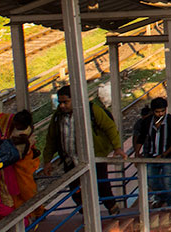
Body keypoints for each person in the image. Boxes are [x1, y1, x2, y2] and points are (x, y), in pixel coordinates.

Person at [42, 85, 126, 214]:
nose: (62, 106)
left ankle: (112, 207)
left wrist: (117, 148)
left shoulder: (91, 110)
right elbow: (51, 139)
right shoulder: (58, 117)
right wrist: (47, 160)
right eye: (60, 103)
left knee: (101, 184)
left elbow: (109, 127)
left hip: (94, 156)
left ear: (75, 100)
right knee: (75, 189)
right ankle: (86, 212)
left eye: (65, 102)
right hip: (70, 160)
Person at [141, 97, 171, 209]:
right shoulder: (147, 122)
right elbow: (140, 138)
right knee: (151, 181)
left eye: (162, 111)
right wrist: (137, 153)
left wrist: (164, 154)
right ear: (153, 111)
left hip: (168, 156)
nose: (160, 114)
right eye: (157, 112)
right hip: (152, 156)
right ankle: (162, 197)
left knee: (167, 181)